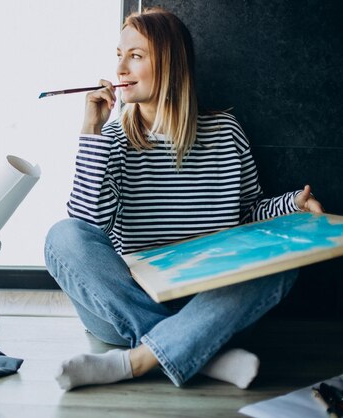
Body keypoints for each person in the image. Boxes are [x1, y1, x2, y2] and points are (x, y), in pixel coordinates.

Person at [43, 7, 324, 391]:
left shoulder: (225, 132)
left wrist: (292, 205)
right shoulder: (111, 140)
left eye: (136, 55)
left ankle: (138, 360)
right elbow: (89, 227)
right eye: (119, 55)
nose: (121, 68)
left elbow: (247, 214)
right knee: (62, 236)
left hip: (209, 301)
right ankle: (200, 351)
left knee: (284, 264)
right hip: (125, 305)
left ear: (171, 64)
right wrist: (92, 133)